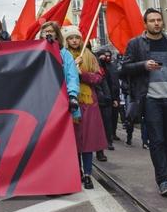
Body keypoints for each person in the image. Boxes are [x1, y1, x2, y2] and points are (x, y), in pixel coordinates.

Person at [121, 8, 167, 197]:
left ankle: (164, 174)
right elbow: (124, 68)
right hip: (150, 100)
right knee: (157, 140)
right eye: (152, 20)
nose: (156, 23)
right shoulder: (136, 44)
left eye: (159, 20)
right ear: (145, 24)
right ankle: (163, 179)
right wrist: (143, 65)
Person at [62, 26, 108, 188]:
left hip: (89, 104)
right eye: (70, 38)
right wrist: (72, 69)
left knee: (88, 141)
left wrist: (83, 74)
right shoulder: (63, 56)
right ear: (66, 41)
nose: (74, 40)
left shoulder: (89, 56)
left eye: (77, 38)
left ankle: (87, 173)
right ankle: (77, 171)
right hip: (70, 103)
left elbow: (98, 78)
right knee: (74, 141)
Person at [36, 21, 81, 125]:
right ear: (41, 34)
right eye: (45, 31)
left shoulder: (65, 54)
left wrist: (72, 95)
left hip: (62, 98)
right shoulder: (36, 53)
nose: (48, 34)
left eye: (51, 31)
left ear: (56, 34)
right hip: (43, 99)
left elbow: (72, 76)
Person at [96, 48, 120, 149]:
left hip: (108, 98)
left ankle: (109, 140)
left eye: (108, 56)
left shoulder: (111, 67)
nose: (106, 57)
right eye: (104, 55)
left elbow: (114, 83)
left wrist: (114, 98)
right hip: (97, 98)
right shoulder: (95, 65)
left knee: (108, 121)